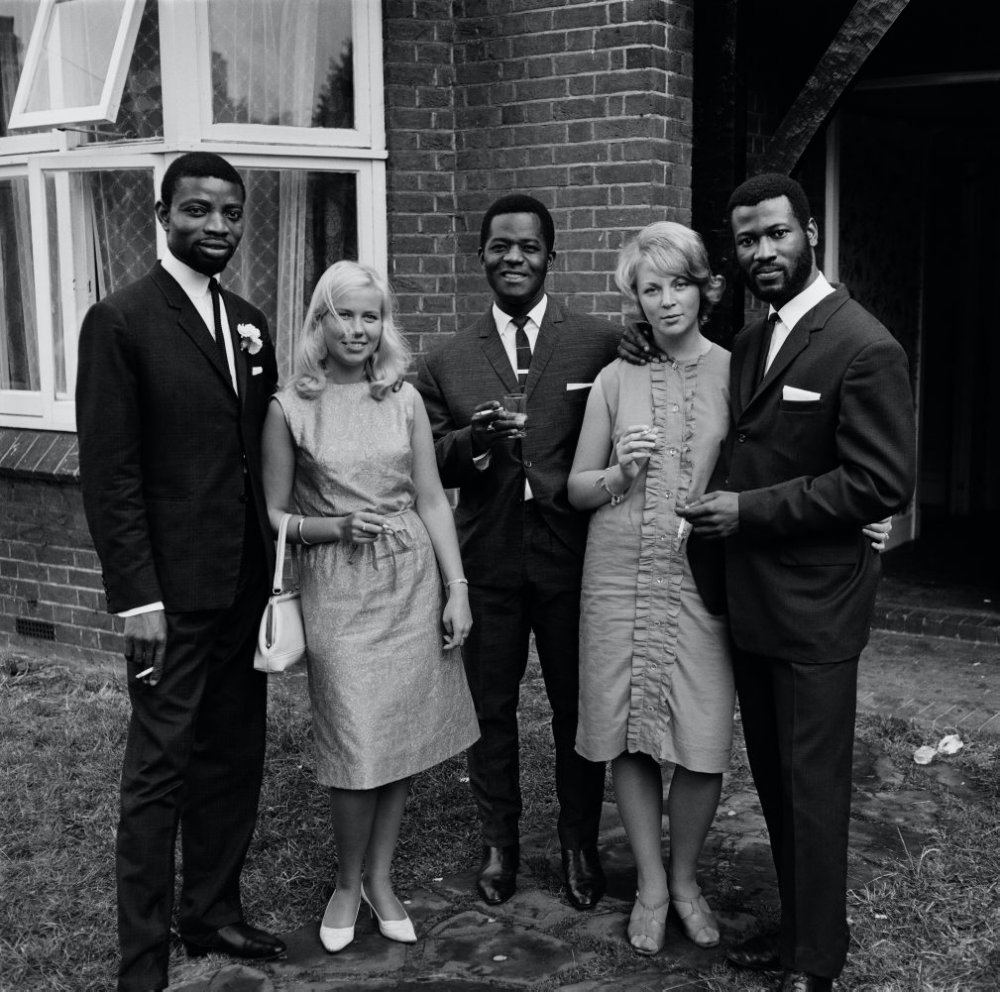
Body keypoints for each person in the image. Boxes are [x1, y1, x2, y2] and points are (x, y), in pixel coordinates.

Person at [676, 173, 917, 992]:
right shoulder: (750, 339)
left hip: (818, 606)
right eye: (746, 240)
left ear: (809, 231)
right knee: (778, 782)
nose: (762, 251)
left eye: (776, 234)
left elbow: (880, 483)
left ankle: (817, 961)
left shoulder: (864, 343)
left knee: (813, 789)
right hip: (751, 600)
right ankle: (797, 931)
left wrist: (749, 511)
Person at [76, 152, 285, 992]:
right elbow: (111, 473)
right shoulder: (120, 320)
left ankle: (212, 911)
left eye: (231, 214)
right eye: (197, 210)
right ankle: (143, 964)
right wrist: (139, 599)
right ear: (160, 214)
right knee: (159, 771)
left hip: (242, 585)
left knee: (234, 754)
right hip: (171, 596)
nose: (217, 228)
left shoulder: (249, 318)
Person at [261, 260, 479, 954]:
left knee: (400, 736)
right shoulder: (289, 405)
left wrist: (458, 587)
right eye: (345, 314)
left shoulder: (403, 397)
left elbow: (429, 498)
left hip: (411, 579)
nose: (358, 329)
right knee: (356, 740)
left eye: (370, 316)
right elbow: (271, 514)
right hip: (339, 584)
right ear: (318, 322)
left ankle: (382, 879)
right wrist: (330, 528)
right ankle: (346, 883)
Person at [415, 194, 621, 911]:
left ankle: (578, 843)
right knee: (491, 709)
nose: (514, 258)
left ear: (550, 257)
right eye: (500, 246)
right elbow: (429, 461)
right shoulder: (445, 359)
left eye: (528, 247)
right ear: (480, 257)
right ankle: (500, 842)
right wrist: (474, 442)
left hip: (574, 561)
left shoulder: (598, 343)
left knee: (578, 709)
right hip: (490, 562)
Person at [568, 221, 734, 956]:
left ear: (705, 288)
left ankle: (688, 876)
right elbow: (575, 488)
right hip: (617, 570)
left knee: (701, 740)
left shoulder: (740, 370)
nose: (666, 301)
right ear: (634, 298)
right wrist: (619, 474)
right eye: (650, 287)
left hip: (703, 577)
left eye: (678, 283)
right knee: (628, 732)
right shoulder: (614, 378)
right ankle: (651, 884)